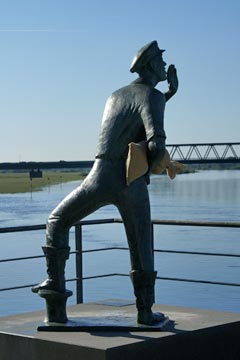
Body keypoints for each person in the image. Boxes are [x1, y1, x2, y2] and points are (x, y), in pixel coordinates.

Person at [32, 40, 178, 325]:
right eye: (161, 61)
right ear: (150, 66)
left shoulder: (116, 95)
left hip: (98, 174)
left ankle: (56, 301)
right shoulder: (153, 97)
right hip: (128, 178)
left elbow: (135, 110)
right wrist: (153, 166)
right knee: (141, 244)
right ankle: (145, 311)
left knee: (57, 222)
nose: (165, 65)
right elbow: (155, 140)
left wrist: (168, 94)